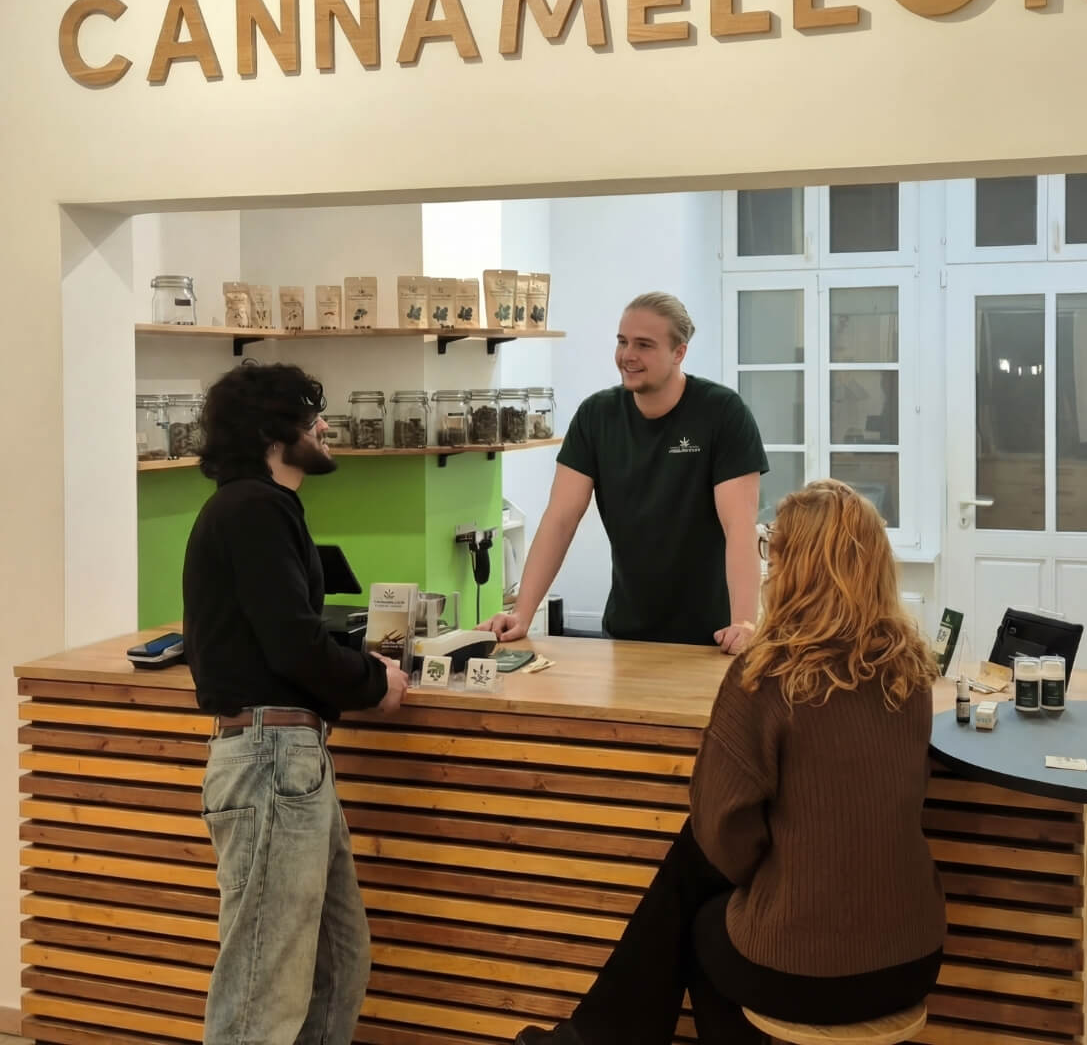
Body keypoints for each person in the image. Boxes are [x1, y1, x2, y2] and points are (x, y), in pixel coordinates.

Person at [513, 478, 946, 1045]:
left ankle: (591, 1037)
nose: (768, 566)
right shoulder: (912, 673)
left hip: (808, 971)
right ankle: (589, 1038)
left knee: (694, 907)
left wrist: (772, 882)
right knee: (693, 878)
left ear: (797, 568)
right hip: (915, 957)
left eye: (774, 550)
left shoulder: (768, 677)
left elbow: (720, 831)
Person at [183, 361, 409, 1045]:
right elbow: (294, 645)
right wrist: (374, 683)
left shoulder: (256, 507)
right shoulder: (254, 509)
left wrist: (355, 670)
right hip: (270, 761)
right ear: (272, 432)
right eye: (313, 415)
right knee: (263, 991)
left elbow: (286, 637)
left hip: (287, 761)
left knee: (336, 962)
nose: (326, 426)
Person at [483, 292, 767, 653]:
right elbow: (560, 520)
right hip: (627, 632)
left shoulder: (723, 413)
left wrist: (744, 623)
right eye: (622, 341)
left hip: (715, 638)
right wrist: (522, 613)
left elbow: (739, 527)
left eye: (644, 345)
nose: (627, 355)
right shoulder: (596, 416)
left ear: (679, 353)